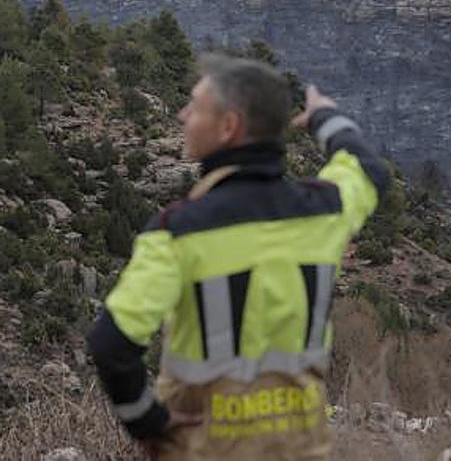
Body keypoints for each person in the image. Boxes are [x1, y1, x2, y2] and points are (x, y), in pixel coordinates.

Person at [86, 54, 390, 459]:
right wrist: (324, 117)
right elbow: (369, 169)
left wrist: (148, 422)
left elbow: (111, 343)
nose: (182, 115)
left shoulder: (177, 231)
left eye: (195, 106)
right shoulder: (325, 210)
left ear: (228, 127)